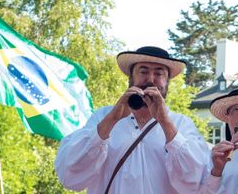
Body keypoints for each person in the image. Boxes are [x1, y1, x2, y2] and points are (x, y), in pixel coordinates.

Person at [55, 46, 210, 194]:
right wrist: (112, 119)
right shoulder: (103, 116)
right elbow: (70, 176)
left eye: (159, 73)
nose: (150, 79)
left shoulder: (181, 124)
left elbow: (196, 182)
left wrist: (165, 122)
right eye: (143, 72)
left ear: (167, 81)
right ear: (131, 78)